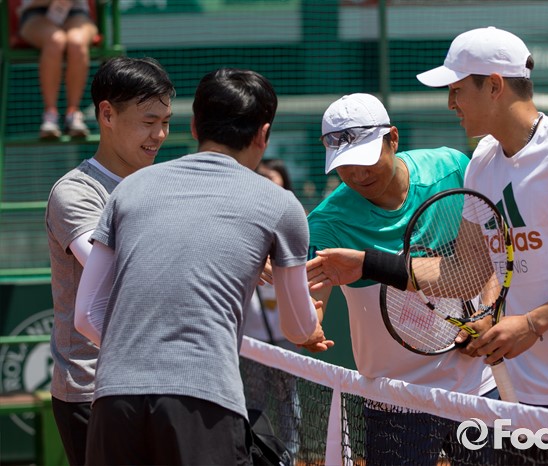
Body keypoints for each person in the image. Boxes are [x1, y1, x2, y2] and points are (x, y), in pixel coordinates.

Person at [308, 28, 548, 426]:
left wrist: (532, 323)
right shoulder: (483, 163)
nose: (450, 103)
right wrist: (368, 265)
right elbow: (467, 271)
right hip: (524, 397)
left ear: (493, 86)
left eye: (457, 90)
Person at [74, 68, 332, 465]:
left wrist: (141, 351)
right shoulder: (282, 204)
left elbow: (86, 315)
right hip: (203, 402)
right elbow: (296, 328)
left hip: (113, 400)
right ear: (263, 134)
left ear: (194, 126)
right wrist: (311, 327)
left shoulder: (128, 190)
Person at [306, 93, 496, 465]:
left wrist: (488, 311)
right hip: (394, 400)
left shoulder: (452, 169)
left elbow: (489, 256)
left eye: (366, 159)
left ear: (392, 139)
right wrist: (308, 322)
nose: (358, 175)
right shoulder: (327, 223)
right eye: (345, 165)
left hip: (478, 388)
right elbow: (312, 300)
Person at [44, 56, 174, 466]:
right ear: (107, 115)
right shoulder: (75, 193)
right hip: (92, 391)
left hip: (159, 381)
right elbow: (117, 273)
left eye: (165, 122)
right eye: (148, 121)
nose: (159, 135)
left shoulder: (162, 185)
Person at [242, 157, 302, 455]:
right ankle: (254, 454)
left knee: (289, 401)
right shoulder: (243, 221)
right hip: (252, 337)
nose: (269, 187)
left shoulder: (296, 222)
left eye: (274, 181)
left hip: (285, 334)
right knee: (253, 403)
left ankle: (289, 455)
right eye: (263, 180)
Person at [18, 0, 98, 139]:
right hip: (35, 14)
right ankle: (50, 116)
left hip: (77, 13)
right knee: (55, 41)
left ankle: (73, 114)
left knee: (77, 44)